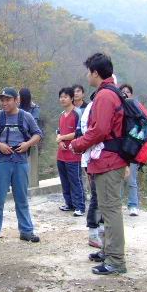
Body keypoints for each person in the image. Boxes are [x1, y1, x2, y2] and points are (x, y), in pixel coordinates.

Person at [70, 53, 128, 275]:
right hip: (109, 159)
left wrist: (77, 144)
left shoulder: (105, 96)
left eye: (88, 71)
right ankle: (108, 252)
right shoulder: (112, 92)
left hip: (108, 161)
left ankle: (116, 261)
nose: (87, 76)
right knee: (106, 209)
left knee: (110, 211)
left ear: (95, 73)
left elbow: (100, 130)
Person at [0, 87, 43, 246]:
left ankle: (26, 231)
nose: (4, 103)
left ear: (16, 100)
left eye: (8, 100)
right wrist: (0, 145)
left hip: (20, 162)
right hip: (0, 162)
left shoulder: (26, 116)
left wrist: (27, 144)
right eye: (2, 100)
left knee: (21, 198)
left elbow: (38, 134)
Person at [56, 87, 86, 217]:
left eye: (65, 97)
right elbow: (58, 132)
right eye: (61, 97)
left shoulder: (78, 113)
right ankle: (69, 203)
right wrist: (59, 141)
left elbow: (79, 132)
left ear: (71, 98)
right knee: (64, 181)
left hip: (74, 153)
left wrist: (61, 137)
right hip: (61, 154)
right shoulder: (61, 114)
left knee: (75, 181)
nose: (62, 99)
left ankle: (80, 206)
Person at [80, 91, 104, 249]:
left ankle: (101, 230)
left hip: (104, 159)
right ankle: (94, 233)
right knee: (97, 196)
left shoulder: (103, 108)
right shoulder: (91, 109)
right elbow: (86, 133)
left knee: (103, 198)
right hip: (93, 159)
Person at [119, 83, 140, 216]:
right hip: (119, 148)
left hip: (132, 149)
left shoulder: (135, 107)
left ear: (131, 94)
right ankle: (118, 204)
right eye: (122, 91)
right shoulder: (117, 108)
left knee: (131, 179)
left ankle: (133, 205)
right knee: (119, 179)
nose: (125, 93)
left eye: (127, 91)